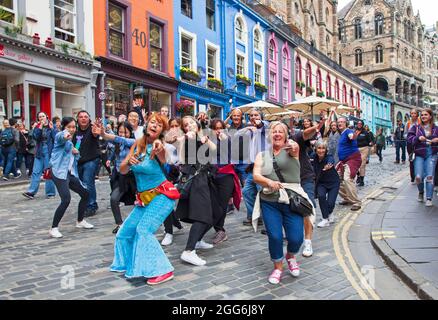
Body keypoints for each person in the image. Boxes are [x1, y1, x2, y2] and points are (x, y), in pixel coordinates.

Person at [111, 113, 179, 286]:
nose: (154, 125)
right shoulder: (137, 145)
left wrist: (159, 146)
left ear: (162, 131)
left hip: (162, 196)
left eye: (159, 125)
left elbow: (163, 157)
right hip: (144, 199)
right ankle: (129, 263)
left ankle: (163, 270)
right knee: (124, 232)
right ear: (147, 125)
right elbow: (123, 170)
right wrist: (129, 162)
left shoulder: (159, 146)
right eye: (152, 122)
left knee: (143, 230)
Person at [252, 121, 310, 285]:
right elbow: (256, 175)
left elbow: (295, 148)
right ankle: (278, 267)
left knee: (296, 238)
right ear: (270, 135)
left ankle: (290, 256)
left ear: (286, 135)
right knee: (275, 236)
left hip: (291, 200)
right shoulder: (262, 155)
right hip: (269, 201)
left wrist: (292, 145)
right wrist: (268, 182)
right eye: (274, 132)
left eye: (281, 132)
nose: (277, 134)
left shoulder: (292, 150)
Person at [175, 116, 218, 266]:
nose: (189, 126)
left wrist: (204, 139)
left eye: (191, 122)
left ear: (197, 123)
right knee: (202, 216)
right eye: (186, 125)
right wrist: (184, 141)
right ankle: (188, 251)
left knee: (215, 214)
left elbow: (215, 150)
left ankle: (198, 240)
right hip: (196, 180)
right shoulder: (187, 139)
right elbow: (181, 160)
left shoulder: (203, 137)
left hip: (207, 179)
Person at [48, 117, 93, 238]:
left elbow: (74, 157)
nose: (72, 129)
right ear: (64, 127)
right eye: (69, 127)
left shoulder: (72, 142)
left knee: (85, 194)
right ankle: (54, 228)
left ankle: (80, 221)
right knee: (66, 199)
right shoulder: (61, 137)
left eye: (74, 127)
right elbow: (60, 137)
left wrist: (76, 151)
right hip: (59, 172)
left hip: (69, 173)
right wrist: (65, 135)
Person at [290, 118, 324, 258]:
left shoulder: (296, 138)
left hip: (305, 178)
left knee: (307, 207)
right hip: (289, 182)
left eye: (280, 131)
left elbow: (305, 134)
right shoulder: (275, 147)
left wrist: (316, 127)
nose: (277, 134)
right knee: (292, 210)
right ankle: (294, 235)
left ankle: (308, 241)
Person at [99, 121, 137, 234]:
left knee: (142, 201)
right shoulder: (117, 144)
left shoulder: (134, 142)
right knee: (114, 199)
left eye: (125, 132)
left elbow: (120, 139)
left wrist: (105, 134)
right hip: (121, 177)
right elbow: (112, 147)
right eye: (120, 132)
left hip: (134, 177)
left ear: (130, 132)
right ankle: (119, 224)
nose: (122, 134)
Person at [210, 119, 241, 245]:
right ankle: (218, 228)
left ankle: (220, 230)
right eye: (215, 128)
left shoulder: (227, 140)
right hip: (212, 176)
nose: (218, 131)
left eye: (220, 128)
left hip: (226, 176)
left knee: (222, 205)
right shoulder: (209, 140)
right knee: (213, 204)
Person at [239, 109, 271, 226]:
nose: (253, 117)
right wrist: (248, 128)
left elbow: (264, 124)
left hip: (263, 166)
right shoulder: (250, 130)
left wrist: (259, 124)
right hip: (252, 168)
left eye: (256, 115)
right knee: (247, 192)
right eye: (251, 115)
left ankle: (267, 218)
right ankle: (256, 216)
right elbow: (237, 134)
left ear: (261, 117)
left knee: (263, 193)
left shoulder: (265, 128)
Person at [407, 108, 438, 207]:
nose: (423, 116)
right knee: (418, 177)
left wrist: (436, 140)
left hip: (431, 154)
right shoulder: (415, 127)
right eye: (422, 115)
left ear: (430, 116)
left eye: (426, 115)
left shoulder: (435, 128)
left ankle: (429, 198)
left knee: (429, 176)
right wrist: (418, 138)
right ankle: (421, 192)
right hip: (419, 154)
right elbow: (409, 139)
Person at [73, 111, 101, 216]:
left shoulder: (92, 129)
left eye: (86, 117)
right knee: (82, 184)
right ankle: (90, 202)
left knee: (88, 181)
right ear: (77, 119)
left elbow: (95, 134)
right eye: (81, 117)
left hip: (92, 159)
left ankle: (91, 205)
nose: (83, 118)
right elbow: (76, 146)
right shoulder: (75, 132)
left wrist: (97, 130)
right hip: (79, 162)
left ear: (89, 119)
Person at [22, 112, 57, 197]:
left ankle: (50, 193)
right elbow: (36, 137)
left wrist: (52, 129)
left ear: (47, 117)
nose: (41, 118)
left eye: (43, 116)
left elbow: (56, 138)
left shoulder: (52, 126)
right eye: (40, 117)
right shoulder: (37, 128)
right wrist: (40, 127)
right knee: (35, 172)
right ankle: (31, 192)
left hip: (49, 151)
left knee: (48, 172)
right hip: (39, 151)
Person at [336, 117, 362, 211]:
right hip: (343, 161)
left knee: (347, 179)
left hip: (353, 159)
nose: (340, 123)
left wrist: (353, 136)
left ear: (346, 123)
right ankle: (347, 198)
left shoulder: (348, 131)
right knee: (336, 180)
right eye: (338, 122)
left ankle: (356, 202)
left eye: (342, 122)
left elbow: (352, 135)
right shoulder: (341, 133)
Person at [313, 140, 340, 227]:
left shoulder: (329, 157)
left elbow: (331, 160)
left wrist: (329, 165)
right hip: (321, 183)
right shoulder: (313, 157)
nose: (321, 150)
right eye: (319, 148)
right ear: (315, 149)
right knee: (321, 196)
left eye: (323, 148)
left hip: (333, 182)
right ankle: (325, 219)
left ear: (326, 150)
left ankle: (330, 213)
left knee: (330, 203)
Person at [355, 120, 373, 187]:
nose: (359, 125)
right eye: (358, 123)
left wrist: (371, 144)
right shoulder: (355, 132)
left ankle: (362, 180)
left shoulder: (365, 133)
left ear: (362, 125)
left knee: (362, 165)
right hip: (356, 149)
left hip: (364, 149)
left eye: (360, 124)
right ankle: (358, 175)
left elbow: (370, 141)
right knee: (355, 165)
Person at [406, 109, 420, 184]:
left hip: (419, 143)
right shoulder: (408, 123)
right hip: (410, 144)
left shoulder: (421, 122)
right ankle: (412, 177)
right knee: (411, 160)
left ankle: (419, 174)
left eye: (415, 113)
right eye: (412, 113)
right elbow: (405, 134)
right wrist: (409, 136)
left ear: (417, 114)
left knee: (419, 159)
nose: (413, 114)